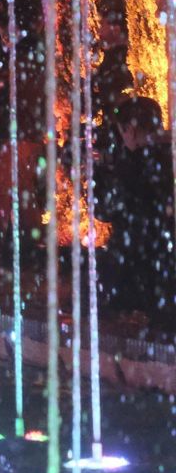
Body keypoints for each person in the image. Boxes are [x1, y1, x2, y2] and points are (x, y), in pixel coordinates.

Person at [98, 96, 174, 319]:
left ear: (130, 131)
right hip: (166, 268)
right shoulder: (168, 158)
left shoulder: (131, 167)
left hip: (132, 270)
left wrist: (98, 176)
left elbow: (104, 210)